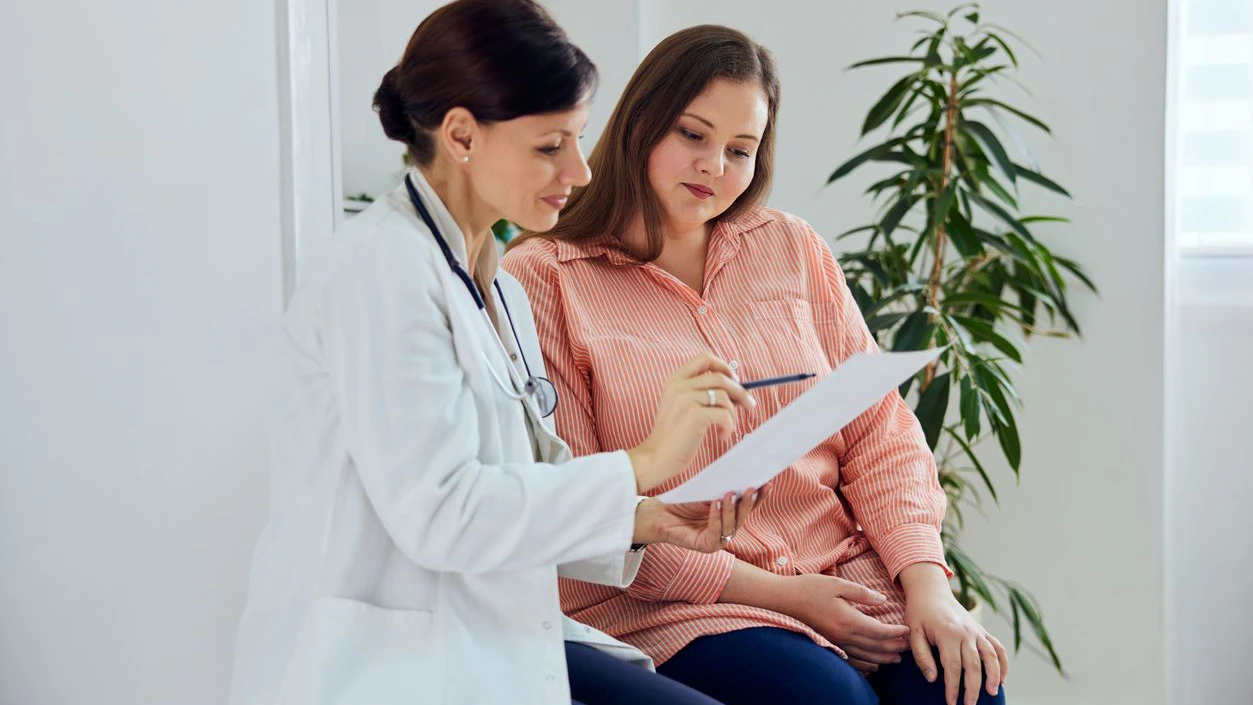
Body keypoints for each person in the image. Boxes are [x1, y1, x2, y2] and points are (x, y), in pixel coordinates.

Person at [227, 4, 764, 705]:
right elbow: (444, 513)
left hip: (486, 636)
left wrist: (645, 515)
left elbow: (528, 480)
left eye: (576, 139)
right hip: (381, 663)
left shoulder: (498, 284)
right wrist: (643, 463)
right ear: (460, 134)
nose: (577, 168)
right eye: (549, 146)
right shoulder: (381, 271)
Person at [502, 24, 1008, 705]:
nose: (714, 165)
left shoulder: (791, 248)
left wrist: (928, 586)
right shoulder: (543, 277)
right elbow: (583, 499)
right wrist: (785, 597)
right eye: (692, 134)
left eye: (739, 149)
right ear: (640, 122)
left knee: (964, 686)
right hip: (680, 602)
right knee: (828, 700)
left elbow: (880, 436)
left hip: (842, 570)